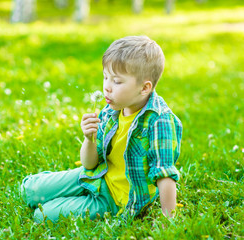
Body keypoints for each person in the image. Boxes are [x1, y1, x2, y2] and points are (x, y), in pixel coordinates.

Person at [21, 36, 182, 223]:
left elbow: (165, 174)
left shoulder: (159, 121)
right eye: (105, 77)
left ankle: (83, 201)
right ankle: (76, 195)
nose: (107, 87)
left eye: (117, 81)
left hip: (116, 199)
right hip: (97, 174)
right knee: (29, 191)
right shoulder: (112, 110)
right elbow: (89, 164)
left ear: (144, 87)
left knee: (42, 215)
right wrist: (89, 139)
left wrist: (168, 220)